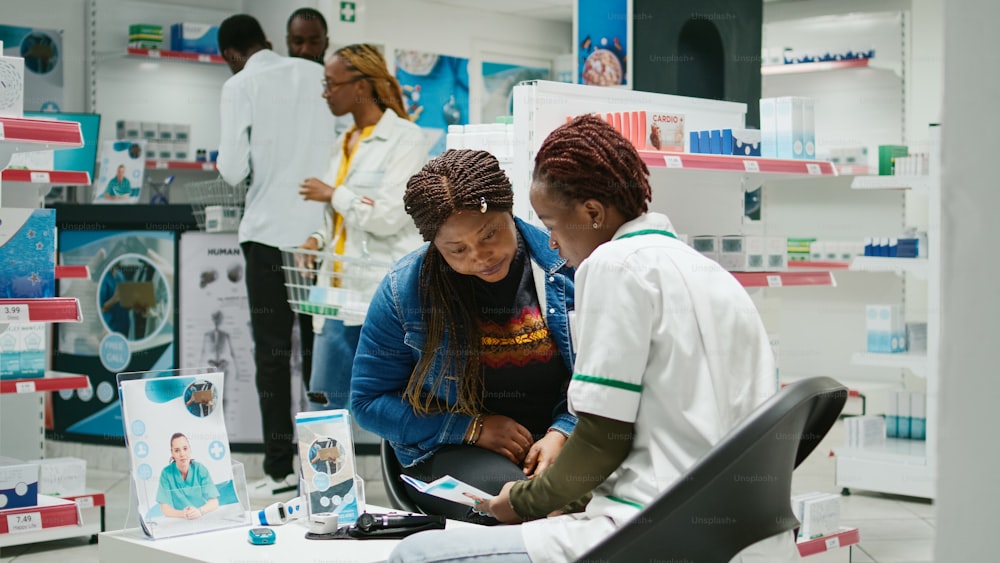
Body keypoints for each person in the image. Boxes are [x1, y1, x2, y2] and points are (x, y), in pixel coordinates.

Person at [388, 116, 798, 562]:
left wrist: (523, 500)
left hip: (653, 529)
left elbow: (603, 437)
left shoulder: (613, 266)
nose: (552, 242)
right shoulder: (711, 276)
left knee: (416, 554)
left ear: (592, 214)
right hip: (749, 536)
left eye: (551, 223)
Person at [351, 149, 577, 524]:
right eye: (457, 250)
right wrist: (469, 428)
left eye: (490, 233)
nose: (481, 256)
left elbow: (597, 373)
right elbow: (368, 401)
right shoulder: (404, 290)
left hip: (554, 442)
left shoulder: (565, 265)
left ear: (510, 210)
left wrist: (563, 431)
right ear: (435, 247)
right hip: (446, 451)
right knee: (524, 510)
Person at [216, 14, 338, 498]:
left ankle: (280, 471)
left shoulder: (242, 84)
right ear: (270, 41)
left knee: (272, 356)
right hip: (317, 237)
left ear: (229, 55)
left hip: (266, 236)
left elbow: (230, 170)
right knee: (320, 355)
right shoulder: (321, 76)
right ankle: (329, 469)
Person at [297, 43, 425, 412]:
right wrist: (316, 238)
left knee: (387, 405)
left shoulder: (405, 139)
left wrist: (334, 193)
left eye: (331, 84)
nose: (325, 93)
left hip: (377, 292)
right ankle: (327, 472)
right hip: (334, 294)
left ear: (360, 87)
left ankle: (392, 472)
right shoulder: (344, 142)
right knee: (325, 406)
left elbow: (388, 215)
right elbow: (339, 219)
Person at [286, 8, 352, 137]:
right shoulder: (272, 84)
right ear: (288, 42)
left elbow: (347, 134)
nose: (305, 50)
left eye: (314, 42)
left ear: (326, 43)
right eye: (298, 42)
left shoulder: (341, 86)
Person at [156, 433, 219, 520]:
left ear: (190, 450)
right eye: (177, 450)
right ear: (172, 453)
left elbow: (214, 502)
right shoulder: (166, 473)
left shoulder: (200, 469)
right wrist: (183, 514)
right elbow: (165, 509)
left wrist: (199, 511)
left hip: (203, 517)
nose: (182, 454)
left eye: (185, 449)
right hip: (179, 520)